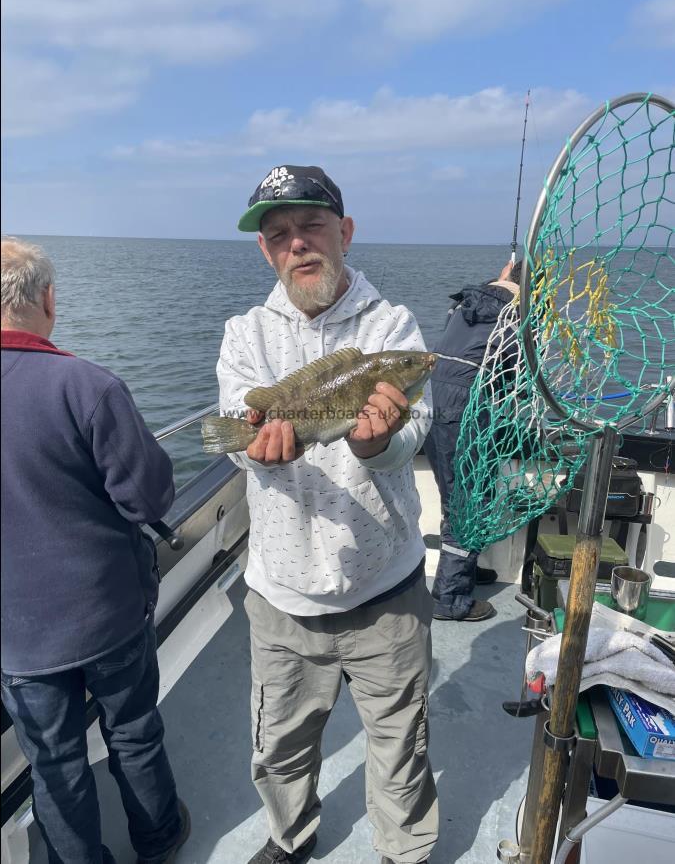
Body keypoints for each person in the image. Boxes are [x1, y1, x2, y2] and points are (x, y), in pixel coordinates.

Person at [217, 165, 438, 864]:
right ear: (265, 251)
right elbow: (237, 433)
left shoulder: (391, 327)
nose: (297, 245)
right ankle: (289, 839)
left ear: (343, 232)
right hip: (281, 591)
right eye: (279, 235)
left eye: (311, 226)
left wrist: (377, 442)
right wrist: (258, 451)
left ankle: (402, 852)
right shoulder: (244, 332)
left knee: (400, 743)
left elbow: (413, 435)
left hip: (386, 587)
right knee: (278, 743)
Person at [1, 238, 190, 864]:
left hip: (17, 639)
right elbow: (149, 497)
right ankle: (159, 837)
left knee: (52, 762)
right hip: (108, 614)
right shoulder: (88, 386)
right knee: (133, 732)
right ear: (49, 300)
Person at [424, 260, 521, 622]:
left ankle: (463, 569)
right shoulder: (515, 314)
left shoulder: (470, 302)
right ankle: (450, 598)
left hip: (434, 404)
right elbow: (519, 372)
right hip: (466, 410)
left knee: (460, 496)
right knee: (467, 504)